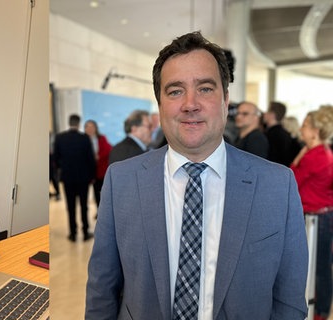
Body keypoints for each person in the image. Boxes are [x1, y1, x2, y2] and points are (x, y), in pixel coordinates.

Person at [85, 31, 308, 319]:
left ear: (226, 100)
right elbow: (102, 289)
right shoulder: (122, 181)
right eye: (175, 91)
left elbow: (289, 300)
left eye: (205, 88)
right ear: (160, 104)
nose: (190, 104)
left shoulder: (277, 185)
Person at [290, 105, 333, 320]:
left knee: (318, 268)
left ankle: (319, 311)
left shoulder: (315, 156)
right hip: (320, 215)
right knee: (319, 267)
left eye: (306, 126)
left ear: (315, 131)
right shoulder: (319, 152)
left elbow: (292, 181)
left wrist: (298, 159)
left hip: (317, 218)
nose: (301, 130)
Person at [54, 114, 96, 242]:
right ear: (78, 124)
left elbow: (56, 158)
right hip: (83, 179)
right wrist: (91, 176)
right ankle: (85, 232)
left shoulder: (60, 138)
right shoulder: (85, 138)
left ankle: (72, 233)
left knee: (70, 207)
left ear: (69, 122)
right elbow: (91, 159)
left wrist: (64, 167)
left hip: (68, 178)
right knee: (84, 206)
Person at [84, 119, 112, 207]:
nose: (90, 129)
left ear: (96, 128)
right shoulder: (82, 139)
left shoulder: (101, 138)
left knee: (102, 193)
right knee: (94, 193)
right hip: (88, 171)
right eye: (87, 127)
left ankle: (103, 212)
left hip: (101, 170)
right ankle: (98, 210)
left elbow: (108, 149)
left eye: (92, 126)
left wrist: (98, 156)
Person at [263, 101, 301, 166]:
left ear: (272, 115)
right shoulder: (285, 134)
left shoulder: (271, 135)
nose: (264, 114)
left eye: (267, 111)